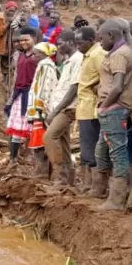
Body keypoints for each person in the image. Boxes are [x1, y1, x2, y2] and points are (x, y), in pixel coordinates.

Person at [93, 20, 132, 210]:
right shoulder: (120, 52)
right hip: (113, 108)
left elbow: (116, 87)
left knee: (117, 153)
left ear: (112, 36)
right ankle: (100, 189)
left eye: (101, 38)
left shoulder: (119, 55)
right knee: (102, 150)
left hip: (114, 109)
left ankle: (116, 200)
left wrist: (104, 107)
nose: (99, 42)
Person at [43, 31, 83, 184]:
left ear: (71, 43)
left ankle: (60, 176)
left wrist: (55, 110)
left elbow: (73, 89)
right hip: (62, 106)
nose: (58, 46)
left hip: (67, 108)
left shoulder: (78, 60)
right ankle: (69, 178)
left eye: (60, 43)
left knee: (49, 136)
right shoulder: (68, 61)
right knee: (64, 142)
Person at [73, 27, 104, 192]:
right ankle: (88, 185)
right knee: (86, 148)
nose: (78, 46)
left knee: (90, 149)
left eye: (80, 43)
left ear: (92, 40)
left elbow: (106, 76)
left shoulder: (97, 55)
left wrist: (98, 89)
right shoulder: (89, 55)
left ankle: (95, 187)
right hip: (85, 107)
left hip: (91, 108)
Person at [4, 28, 39, 167]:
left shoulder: (38, 56)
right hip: (19, 94)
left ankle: (32, 158)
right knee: (17, 129)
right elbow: (16, 76)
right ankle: (13, 160)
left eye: (26, 40)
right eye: (21, 40)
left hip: (32, 95)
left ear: (34, 39)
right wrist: (11, 98)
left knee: (32, 128)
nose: (23, 42)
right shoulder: (19, 55)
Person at [27, 42, 59, 178]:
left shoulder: (45, 67)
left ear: (44, 54)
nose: (33, 56)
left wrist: (40, 110)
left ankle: (42, 172)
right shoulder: (43, 66)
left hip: (41, 111)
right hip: (39, 110)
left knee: (40, 143)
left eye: (36, 53)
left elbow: (44, 90)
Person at [0, 1, 18, 88]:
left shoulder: (15, 20)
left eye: (13, 11)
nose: (11, 13)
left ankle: (5, 83)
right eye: (10, 10)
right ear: (6, 9)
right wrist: (6, 25)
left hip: (9, 48)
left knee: (6, 66)